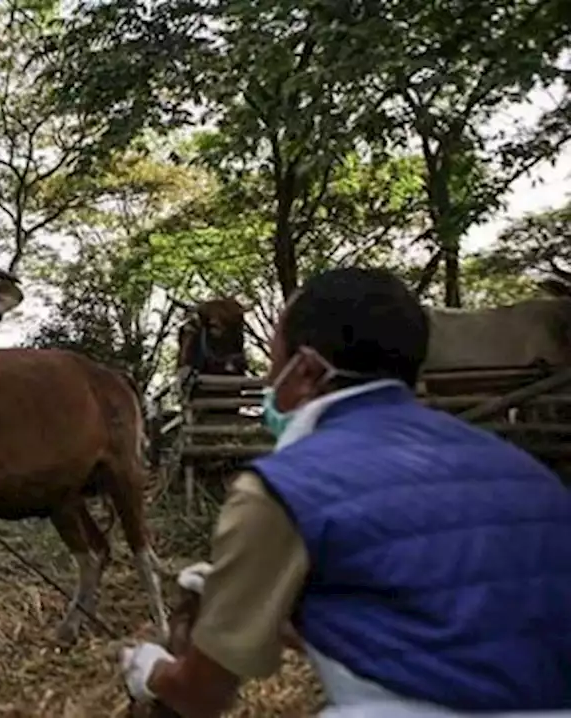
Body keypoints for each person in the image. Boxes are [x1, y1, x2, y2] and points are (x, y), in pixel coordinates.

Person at [120, 267, 571, 718]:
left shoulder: (282, 488)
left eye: (273, 359)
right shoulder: (529, 474)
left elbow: (201, 696)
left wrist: (150, 670)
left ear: (307, 370)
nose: (266, 378)